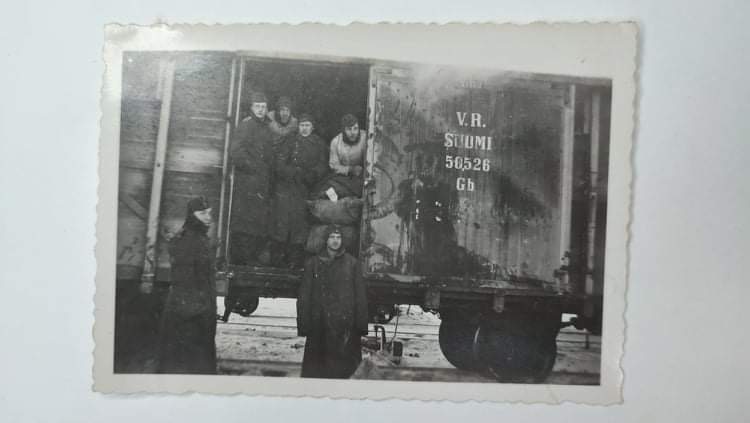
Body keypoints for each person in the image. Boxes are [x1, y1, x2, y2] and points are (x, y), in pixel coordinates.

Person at [296, 225, 369, 378]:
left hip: (344, 326)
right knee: (318, 373)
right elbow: (305, 296)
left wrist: (361, 325)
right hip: (319, 325)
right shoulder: (313, 263)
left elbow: (360, 296)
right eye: (332, 237)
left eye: (338, 237)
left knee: (343, 375)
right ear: (326, 240)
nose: (335, 241)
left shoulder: (352, 264)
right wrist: (304, 325)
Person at [158, 196, 217, 374]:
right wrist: (200, 311)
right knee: (187, 361)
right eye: (202, 213)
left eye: (209, 213)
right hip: (190, 314)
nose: (208, 217)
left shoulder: (198, 238)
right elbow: (184, 280)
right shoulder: (188, 240)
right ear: (192, 215)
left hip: (197, 310)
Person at [271, 113, 328, 268]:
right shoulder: (290, 140)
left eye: (307, 125)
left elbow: (322, 165)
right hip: (286, 187)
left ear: (312, 127)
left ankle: (295, 259)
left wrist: (312, 175)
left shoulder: (319, 144)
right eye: (302, 125)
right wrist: (292, 172)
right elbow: (279, 162)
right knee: (282, 222)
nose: (304, 128)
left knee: (300, 224)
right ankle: (277, 258)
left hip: (305, 188)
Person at [229, 91, 274, 265]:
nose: (261, 110)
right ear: (251, 108)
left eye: (263, 107)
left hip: (261, 182)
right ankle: (242, 260)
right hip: (247, 183)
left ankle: (252, 258)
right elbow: (236, 152)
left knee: (258, 221)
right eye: (257, 106)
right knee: (245, 221)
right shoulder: (246, 126)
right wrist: (253, 167)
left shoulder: (266, 127)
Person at [320, 113, 368, 198]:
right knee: (327, 189)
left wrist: (362, 170)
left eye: (355, 128)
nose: (353, 133)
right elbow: (334, 165)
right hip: (343, 177)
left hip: (362, 176)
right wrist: (350, 169)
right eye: (349, 129)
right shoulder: (335, 142)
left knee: (364, 188)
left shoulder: (366, 138)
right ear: (343, 130)